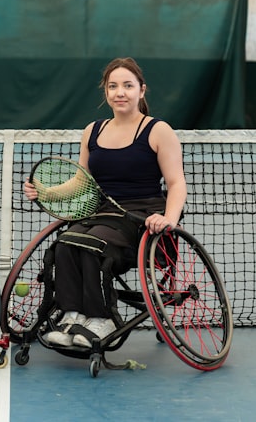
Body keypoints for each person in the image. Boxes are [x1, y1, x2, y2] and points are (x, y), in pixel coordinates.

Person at [23, 57, 186, 348]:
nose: (120, 92)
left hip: (141, 218)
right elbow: (80, 182)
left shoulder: (158, 131)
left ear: (141, 90)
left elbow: (176, 184)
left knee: (90, 244)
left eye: (127, 85)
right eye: (113, 86)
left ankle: (103, 319)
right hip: (103, 214)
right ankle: (74, 315)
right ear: (106, 92)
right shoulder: (93, 131)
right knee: (65, 244)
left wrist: (169, 220)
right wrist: (44, 192)